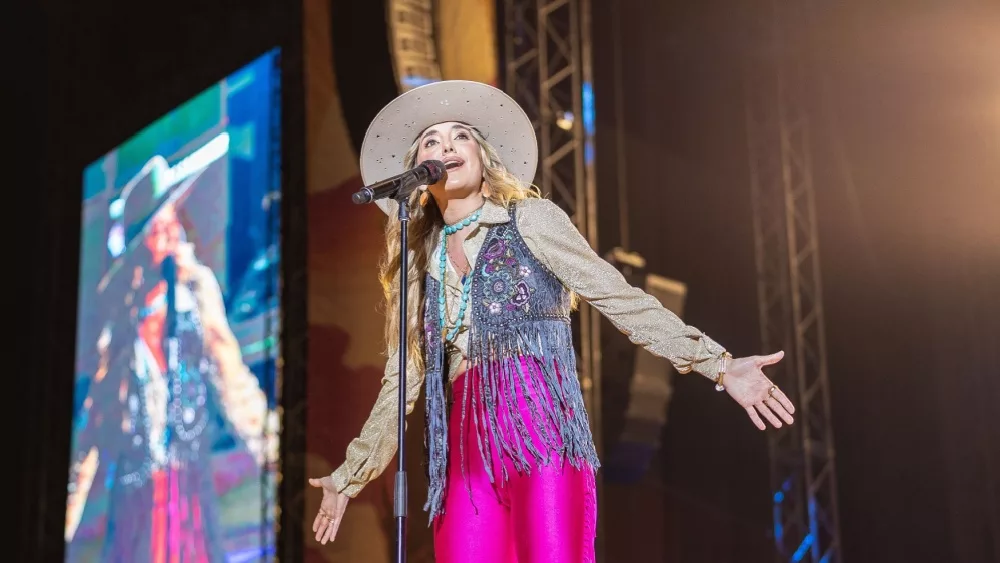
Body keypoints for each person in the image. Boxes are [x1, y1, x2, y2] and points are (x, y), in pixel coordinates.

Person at [309, 80, 795, 562]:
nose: (446, 147)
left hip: (538, 419)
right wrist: (348, 476)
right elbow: (403, 378)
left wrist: (718, 364)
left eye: (461, 136)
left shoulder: (530, 219)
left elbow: (618, 297)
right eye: (431, 142)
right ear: (418, 172)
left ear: (483, 157)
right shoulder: (419, 262)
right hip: (462, 442)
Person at [66, 171, 277, 563]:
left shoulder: (196, 291)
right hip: (134, 497)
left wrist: (272, 447)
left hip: (187, 489)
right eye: (155, 224)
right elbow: (96, 417)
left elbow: (230, 375)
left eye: (170, 218)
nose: (168, 229)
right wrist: (71, 506)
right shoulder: (121, 319)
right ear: (138, 243)